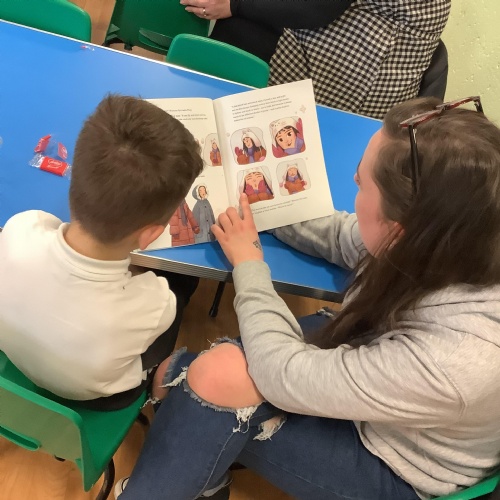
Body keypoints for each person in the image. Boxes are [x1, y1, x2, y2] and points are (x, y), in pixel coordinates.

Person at [116, 96, 500, 500]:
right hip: (375, 359)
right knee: (180, 377)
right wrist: (255, 205)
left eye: (360, 183)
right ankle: (205, 478)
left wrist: (249, 262)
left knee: (205, 380)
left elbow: (281, 372)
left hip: (397, 465)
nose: (352, 180)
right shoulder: (455, 234)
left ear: (397, 232)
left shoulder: (456, 359)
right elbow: (343, 235)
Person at [0, 95, 203, 410]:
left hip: (15, 358)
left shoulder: (19, 229)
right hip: (96, 397)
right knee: (182, 284)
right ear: (150, 234)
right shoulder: (156, 303)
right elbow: (154, 308)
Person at [181, 0, 450, 119]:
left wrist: (233, 4)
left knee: (240, 28)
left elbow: (315, 10)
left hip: (356, 88)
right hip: (339, 47)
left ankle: (208, 123)